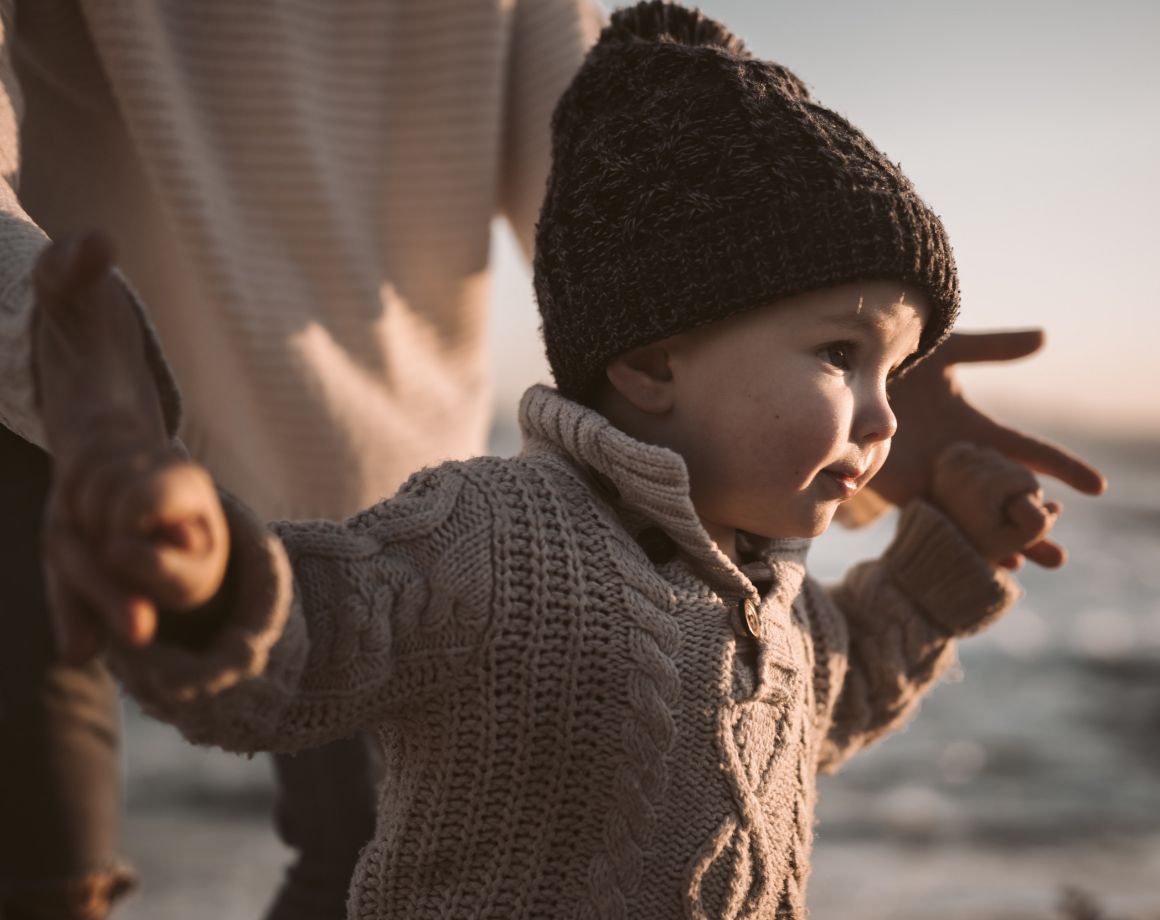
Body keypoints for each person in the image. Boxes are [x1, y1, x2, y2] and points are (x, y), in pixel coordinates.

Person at [30, 3, 1106, 917]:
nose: (881, 418)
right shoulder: (492, 536)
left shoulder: (758, 590)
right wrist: (210, 576)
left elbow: (844, 675)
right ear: (644, 359)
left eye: (894, 370)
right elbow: (313, 637)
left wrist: (957, 545)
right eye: (840, 354)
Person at [0, 2, 606, 918]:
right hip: (73, 412)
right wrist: (55, 342)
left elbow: (600, 177)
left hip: (375, 479)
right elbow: (609, 192)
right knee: (47, 867)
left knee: (382, 869)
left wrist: (837, 334)